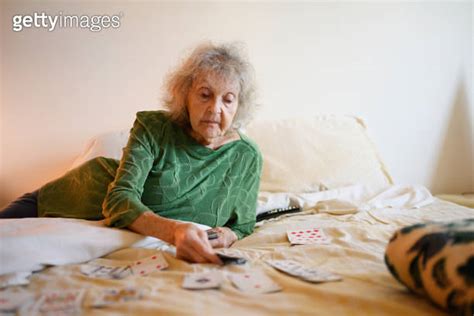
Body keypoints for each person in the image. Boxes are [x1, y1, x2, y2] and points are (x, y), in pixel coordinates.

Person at [0, 42, 262, 264]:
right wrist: (174, 231)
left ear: (239, 106)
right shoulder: (153, 127)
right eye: (205, 95)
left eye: (228, 99)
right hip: (72, 199)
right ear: (185, 97)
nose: (215, 108)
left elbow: (243, 224)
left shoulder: (247, 157)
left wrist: (229, 235)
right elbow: (118, 198)